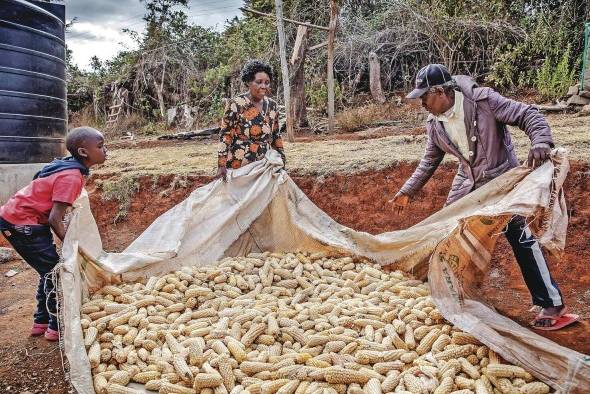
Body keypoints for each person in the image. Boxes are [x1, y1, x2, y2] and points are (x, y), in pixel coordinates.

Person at [391, 64, 578, 330]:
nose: (421, 103)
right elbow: (429, 160)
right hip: (468, 186)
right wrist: (407, 191)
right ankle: (449, 294)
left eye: (424, 96)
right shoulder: (434, 124)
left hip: (501, 181)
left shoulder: (484, 101)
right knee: (446, 234)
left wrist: (541, 142)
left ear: (441, 91)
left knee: (521, 236)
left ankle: (552, 303)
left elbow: (527, 114)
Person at [0, 127, 107, 341]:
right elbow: (54, 219)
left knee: (47, 271)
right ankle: (57, 325)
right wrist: (71, 248)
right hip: (23, 224)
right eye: (101, 146)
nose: (106, 150)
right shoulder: (71, 176)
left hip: (23, 221)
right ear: (84, 152)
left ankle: (41, 321)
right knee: (57, 273)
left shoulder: (70, 169)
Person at [215, 59, 286, 181]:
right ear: (248, 82)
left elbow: (275, 135)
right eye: (258, 82)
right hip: (240, 164)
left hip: (265, 163)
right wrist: (221, 165)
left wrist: (282, 160)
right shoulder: (236, 104)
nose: (263, 86)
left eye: (267, 82)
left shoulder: (273, 106)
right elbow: (226, 135)